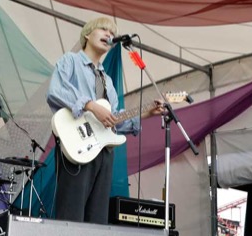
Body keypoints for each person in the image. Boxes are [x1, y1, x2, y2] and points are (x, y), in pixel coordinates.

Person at [47, 16, 165, 224]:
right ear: (87, 34)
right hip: (77, 146)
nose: (109, 35)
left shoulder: (107, 80)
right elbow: (56, 91)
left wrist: (147, 113)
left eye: (112, 33)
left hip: (103, 152)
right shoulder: (70, 61)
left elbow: (113, 120)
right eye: (103, 29)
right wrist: (91, 105)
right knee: (71, 214)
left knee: (97, 216)